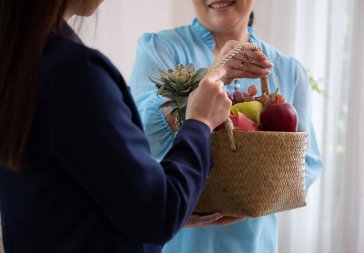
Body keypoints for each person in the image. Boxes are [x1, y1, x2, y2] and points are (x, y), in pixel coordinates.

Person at [0, 0, 262, 252]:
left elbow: (76, 198)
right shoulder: (75, 73)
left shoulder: (21, 61)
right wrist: (200, 121)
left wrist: (174, 204)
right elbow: (157, 212)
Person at [129, 0, 324, 252]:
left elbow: (308, 162)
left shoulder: (288, 70)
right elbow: (138, 140)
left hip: (256, 244)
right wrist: (211, 76)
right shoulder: (160, 49)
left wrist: (259, 186)